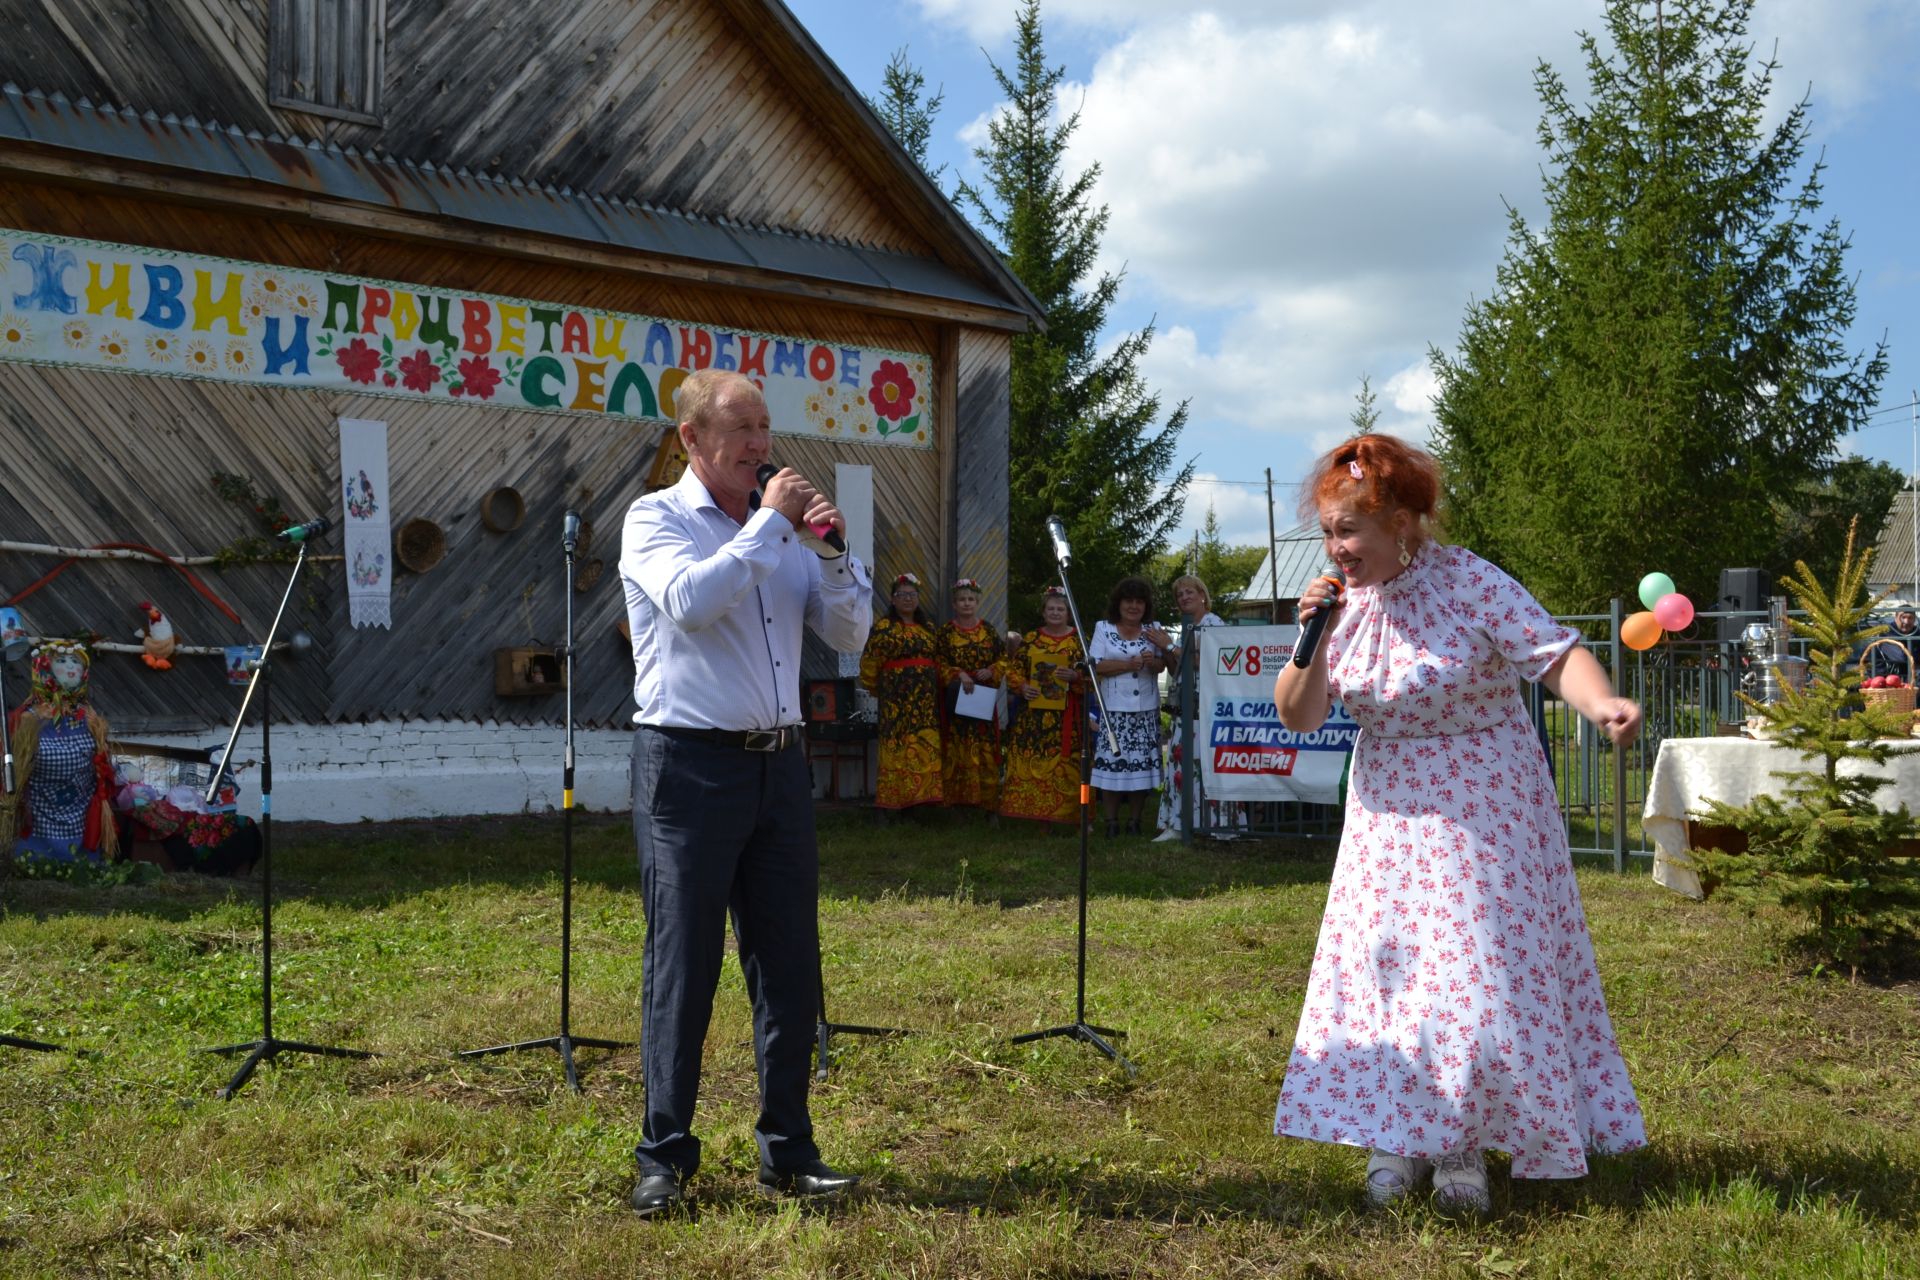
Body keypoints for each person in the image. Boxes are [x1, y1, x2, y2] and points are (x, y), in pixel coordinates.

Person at [1270, 432, 1645, 1218]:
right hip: (1386, 815)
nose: (1336, 549)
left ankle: (1460, 1145)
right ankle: (1395, 1136)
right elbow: (1300, 715)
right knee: (1390, 970)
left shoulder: (1470, 582)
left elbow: (1554, 654)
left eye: (1350, 531)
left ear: (1402, 523)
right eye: (1330, 533)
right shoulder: (1341, 608)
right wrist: (1315, 640)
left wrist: (1601, 702)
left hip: (1483, 805)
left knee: (1469, 977)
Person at [618, 368, 871, 1217]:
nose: (763, 446)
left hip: (779, 768)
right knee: (683, 967)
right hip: (686, 768)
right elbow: (691, 604)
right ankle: (664, 1156)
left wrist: (832, 554)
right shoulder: (655, 519)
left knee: (789, 967)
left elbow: (849, 633)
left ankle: (788, 1151)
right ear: (692, 439)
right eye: (743, 431)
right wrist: (772, 525)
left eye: (766, 428)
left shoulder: (789, 535)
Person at [4, 639, 117, 864]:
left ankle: (84, 859)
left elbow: (102, 768)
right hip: (38, 816)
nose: (70, 667)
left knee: (83, 864)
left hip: (80, 814)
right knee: (34, 860)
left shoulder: (91, 720)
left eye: (76, 662)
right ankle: (33, 858)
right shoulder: (27, 720)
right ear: (43, 669)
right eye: (62, 661)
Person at [998, 587, 1087, 826]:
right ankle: (1030, 815)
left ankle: (1065, 816)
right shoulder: (1031, 639)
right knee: (1032, 759)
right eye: (1051, 608)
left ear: (1068, 613)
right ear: (1043, 612)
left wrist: (1075, 677)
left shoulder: (1078, 641)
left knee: (1065, 763)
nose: (1055, 612)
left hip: (1067, 715)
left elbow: (1091, 675)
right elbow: (1013, 670)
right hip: (1033, 714)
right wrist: (1023, 686)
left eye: (1060, 609)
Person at [858, 573, 945, 814]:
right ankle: (892, 806)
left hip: (925, 703)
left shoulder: (928, 629)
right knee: (896, 749)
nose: (907, 599)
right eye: (902, 595)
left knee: (924, 746)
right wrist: (881, 691)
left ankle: (923, 805)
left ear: (918, 598)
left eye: (912, 595)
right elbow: (869, 665)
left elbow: (939, 661)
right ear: (893, 600)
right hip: (895, 703)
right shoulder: (883, 628)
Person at [1086, 576, 1166, 836]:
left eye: (1139, 602)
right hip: (1114, 712)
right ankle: (1110, 821)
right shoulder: (1104, 628)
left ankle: (1135, 821)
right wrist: (1127, 665)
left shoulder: (1153, 628)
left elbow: (1161, 665)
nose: (1134, 606)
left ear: (1146, 606)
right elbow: (1094, 665)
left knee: (1140, 767)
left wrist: (1151, 662)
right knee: (1112, 766)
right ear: (1118, 604)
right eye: (1128, 601)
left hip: (1145, 710)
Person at [934, 578, 1003, 812]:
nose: (967, 603)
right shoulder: (945, 632)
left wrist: (991, 670)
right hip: (958, 697)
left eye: (971, 599)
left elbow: (1004, 659)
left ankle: (988, 806)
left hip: (982, 697)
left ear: (977, 602)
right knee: (957, 748)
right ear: (954, 604)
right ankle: (957, 805)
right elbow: (938, 662)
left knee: (984, 749)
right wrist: (958, 673)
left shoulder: (988, 630)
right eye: (962, 599)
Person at [1865, 606, 1920, 681]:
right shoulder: (1886, 632)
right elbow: (1901, 657)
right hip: (1882, 678)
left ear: (1914, 619)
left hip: (1905, 678)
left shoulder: (1916, 632)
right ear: (1896, 617)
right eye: (1903, 617)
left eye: (1910, 618)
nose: (1906, 621)